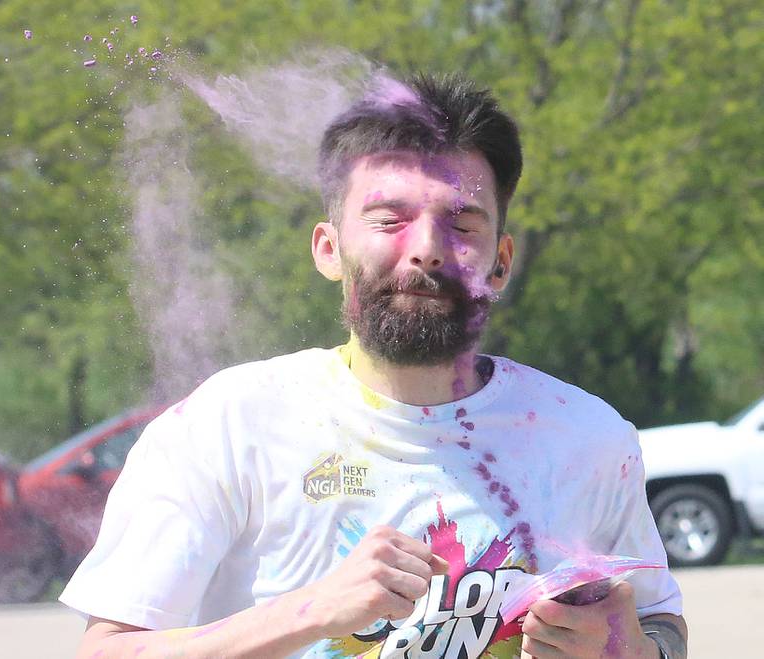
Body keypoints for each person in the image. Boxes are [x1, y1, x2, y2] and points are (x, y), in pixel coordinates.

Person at [63, 72, 687, 659]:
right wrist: (311, 610)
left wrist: (633, 649)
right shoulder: (225, 424)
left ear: (500, 262)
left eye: (461, 224)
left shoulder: (588, 436)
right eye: (390, 220)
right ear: (329, 249)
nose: (426, 250)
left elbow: (661, 623)